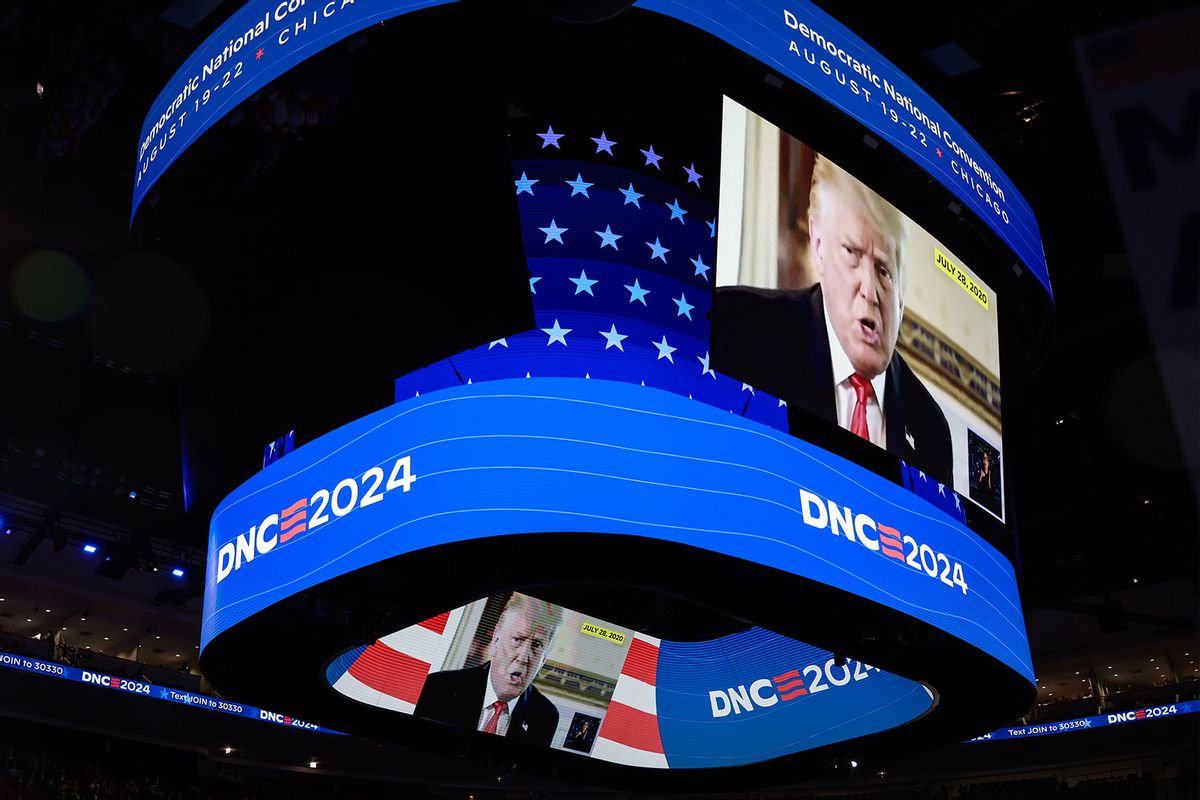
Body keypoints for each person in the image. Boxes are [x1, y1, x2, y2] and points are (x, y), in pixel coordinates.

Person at [713, 154, 952, 485]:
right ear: (819, 244)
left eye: (884, 270)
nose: (870, 290)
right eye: (852, 253)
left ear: (903, 289)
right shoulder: (736, 324)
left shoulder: (931, 427)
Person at [414, 593, 561, 747]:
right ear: (496, 638)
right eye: (517, 640)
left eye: (537, 645)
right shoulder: (438, 687)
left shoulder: (546, 715)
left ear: (545, 657)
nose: (524, 657)